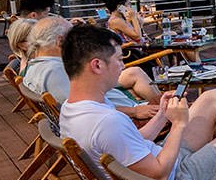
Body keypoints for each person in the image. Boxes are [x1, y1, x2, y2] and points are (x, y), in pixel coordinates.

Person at [59, 25, 216, 180]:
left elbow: (133, 140)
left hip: (158, 157)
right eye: (118, 59)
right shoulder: (107, 123)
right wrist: (178, 124)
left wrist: (161, 115)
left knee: (213, 98)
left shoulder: (74, 107)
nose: (123, 66)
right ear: (97, 65)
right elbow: (160, 174)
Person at [23, 16, 161, 121]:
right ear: (60, 41)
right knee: (178, 107)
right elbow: (84, 109)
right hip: (124, 119)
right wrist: (134, 111)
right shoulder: (54, 72)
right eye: (73, 36)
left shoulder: (38, 66)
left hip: (123, 112)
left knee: (172, 99)